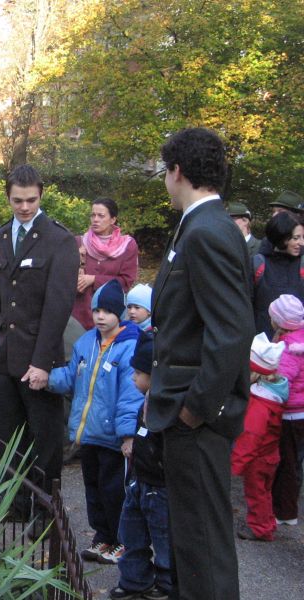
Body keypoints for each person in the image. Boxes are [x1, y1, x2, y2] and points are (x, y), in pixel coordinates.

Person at [147, 127, 253, 600]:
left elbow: (230, 332)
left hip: (196, 418)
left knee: (203, 547)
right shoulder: (198, 225)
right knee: (191, 543)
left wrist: (196, 409)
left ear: (177, 171)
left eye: (164, 171)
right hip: (183, 410)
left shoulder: (207, 231)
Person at [0, 164, 79, 494]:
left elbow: (58, 307)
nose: (24, 207)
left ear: (41, 195)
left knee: (44, 441)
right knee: (7, 439)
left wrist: (42, 363)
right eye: (17, 201)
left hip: (38, 359)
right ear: (7, 198)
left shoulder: (59, 240)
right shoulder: (1, 236)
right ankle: (14, 506)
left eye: (31, 200)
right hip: (3, 356)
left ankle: (45, 508)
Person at [48, 280, 143, 565]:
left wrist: (127, 434)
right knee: (94, 489)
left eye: (108, 311)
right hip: (88, 432)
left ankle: (122, 540)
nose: (101, 317)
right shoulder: (86, 342)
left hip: (112, 436)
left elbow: (131, 395)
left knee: (115, 491)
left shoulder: (130, 345)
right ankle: (102, 536)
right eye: (97, 310)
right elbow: (71, 376)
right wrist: (47, 379)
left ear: (119, 313)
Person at [109, 332, 175, 600]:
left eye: (138, 373)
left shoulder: (165, 406)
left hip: (159, 485)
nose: (133, 378)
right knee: (131, 533)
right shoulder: (144, 403)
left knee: (163, 537)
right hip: (138, 481)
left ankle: (167, 583)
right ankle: (134, 579)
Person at [231, 331, 288, 542]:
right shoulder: (272, 397)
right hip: (269, 454)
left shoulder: (260, 405)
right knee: (264, 492)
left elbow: (250, 437)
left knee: (256, 494)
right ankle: (267, 522)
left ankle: (260, 528)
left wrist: (236, 464)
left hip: (258, 458)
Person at [72, 198, 139, 330]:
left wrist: (94, 279)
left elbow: (126, 282)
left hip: (111, 316)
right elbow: (62, 278)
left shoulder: (127, 246)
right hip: (78, 317)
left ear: (113, 219)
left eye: (101, 216)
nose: (95, 219)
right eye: (93, 215)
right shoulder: (78, 242)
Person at [271, 294, 304, 527]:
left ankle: (285, 512)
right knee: (294, 460)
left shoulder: (289, 348)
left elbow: (283, 380)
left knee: (287, 462)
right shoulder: (298, 338)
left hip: (291, 414)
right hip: (300, 411)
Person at [251, 211, 304, 337]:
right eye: (296, 238)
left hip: (297, 344)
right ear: (281, 237)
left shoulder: (302, 264)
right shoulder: (258, 264)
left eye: (303, 237)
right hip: (263, 341)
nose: (301, 242)